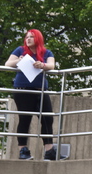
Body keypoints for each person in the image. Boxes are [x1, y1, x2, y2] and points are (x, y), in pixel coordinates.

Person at [5, 29, 58, 160]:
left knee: (47, 118)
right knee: (24, 119)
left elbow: (52, 65)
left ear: (38, 39)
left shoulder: (46, 52)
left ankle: (49, 150)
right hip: (23, 89)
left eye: (31, 37)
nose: (28, 39)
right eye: (27, 37)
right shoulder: (20, 50)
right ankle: (23, 150)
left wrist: (42, 65)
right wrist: (18, 60)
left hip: (40, 89)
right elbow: (7, 63)